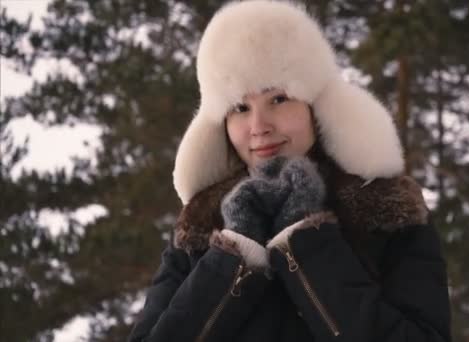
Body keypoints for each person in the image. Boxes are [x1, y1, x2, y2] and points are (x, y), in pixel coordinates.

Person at [128, 1, 451, 341]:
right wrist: (233, 255)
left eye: (278, 99)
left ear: (315, 104)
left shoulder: (388, 210)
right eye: (240, 107)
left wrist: (306, 240)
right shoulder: (199, 225)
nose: (258, 126)